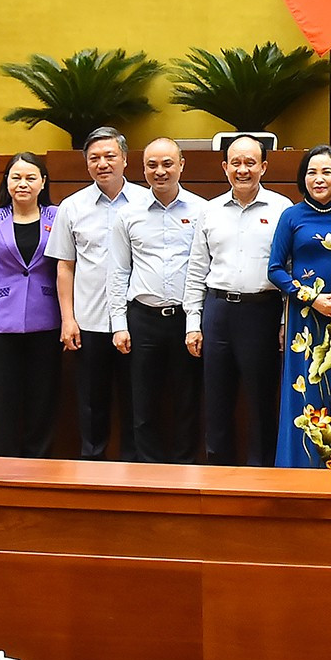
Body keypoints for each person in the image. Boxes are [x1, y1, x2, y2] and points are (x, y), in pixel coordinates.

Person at [185, 134, 293, 467]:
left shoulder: (281, 209)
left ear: (263, 166)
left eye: (250, 163)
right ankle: (218, 478)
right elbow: (196, 269)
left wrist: (283, 322)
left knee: (261, 402)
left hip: (262, 310)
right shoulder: (210, 210)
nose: (242, 170)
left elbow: (290, 269)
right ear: (224, 167)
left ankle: (260, 479)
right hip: (218, 312)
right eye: (235, 163)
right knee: (216, 401)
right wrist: (193, 323)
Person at [46, 127, 148, 459]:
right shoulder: (72, 207)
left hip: (137, 320)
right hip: (88, 321)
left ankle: (137, 469)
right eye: (94, 158)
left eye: (109, 156)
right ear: (86, 164)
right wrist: (68, 319)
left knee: (138, 401)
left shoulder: (148, 203)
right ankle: (92, 467)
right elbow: (65, 267)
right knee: (91, 403)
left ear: (125, 159)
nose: (102, 163)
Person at [109, 137, 206, 464]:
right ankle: (147, 472)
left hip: (185, 320)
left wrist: (194, 322)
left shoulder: (202, 210)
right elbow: (118, 270)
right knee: (143, 402)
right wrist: (119, 325)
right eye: (152, 165)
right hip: (143, 319)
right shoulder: (127, 214)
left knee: (187, 399)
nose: (160, 171)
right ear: (143, 168)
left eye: (167, 164)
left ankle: (186, 470)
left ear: (181, 165)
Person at [271, 144, 331, 469]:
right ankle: (300, 468)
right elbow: (275, 269)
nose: (319, 179)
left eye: (326, 171)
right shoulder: (291, 217)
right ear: (303, 177)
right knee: (306, 393)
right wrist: (312, 297)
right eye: (312, 172)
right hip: (305, 320)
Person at [0, 153, 61, 458]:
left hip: (46, 318)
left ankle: (39, 465)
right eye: (16, 177)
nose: (23, 184)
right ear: (6, 182)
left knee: (43, 398)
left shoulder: (56, 217)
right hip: (0, 320)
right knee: (2, 399)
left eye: (30, 177)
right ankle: (0, 466)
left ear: (43, 182)